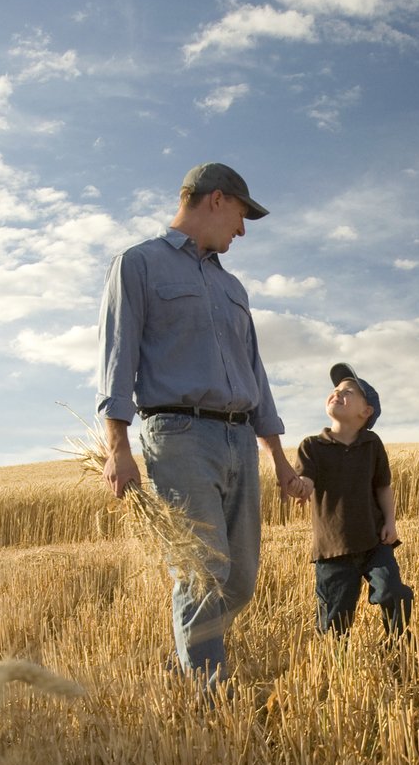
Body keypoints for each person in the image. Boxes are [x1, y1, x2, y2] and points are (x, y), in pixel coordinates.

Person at [97, 162, 313, 684]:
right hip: (178, 435)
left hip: (240, 437)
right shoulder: (138, 264)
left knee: (239, 582)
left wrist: (281, 463)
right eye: (241, 216)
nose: (242, 231)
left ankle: (187, 661)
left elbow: (255, 374)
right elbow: (117, 356)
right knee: (203, 575)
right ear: (216, 200)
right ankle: (211, 700)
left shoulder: (234, 287)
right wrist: (118, 446)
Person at [294, 363, 413, 638]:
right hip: (333, 549)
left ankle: (399, 651)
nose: (337, 393)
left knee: (394, 593)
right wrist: (300, 487)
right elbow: (307, 480)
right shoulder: (312, 446)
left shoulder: (372, 444)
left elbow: (383, 487)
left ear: (366, 411)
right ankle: (337, 668)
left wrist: (391, 523)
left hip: (374, 543)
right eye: (335, 389)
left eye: (348, 391)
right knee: (334, 625)